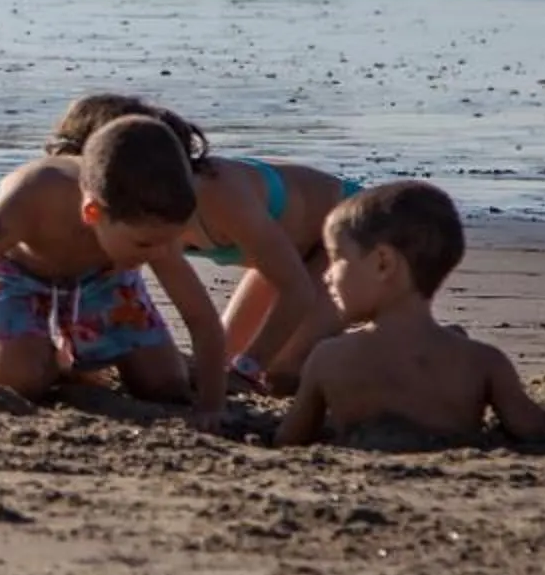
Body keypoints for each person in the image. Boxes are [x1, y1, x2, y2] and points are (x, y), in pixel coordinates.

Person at [0, 114, 228, 428]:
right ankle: (57, 359)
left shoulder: (154, 227)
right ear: (92, 212)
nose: (157, 255)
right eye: (144, 246)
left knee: (165, 384)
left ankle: (83, 352)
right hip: (20, 279)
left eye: (167, 244)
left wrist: (211, 406)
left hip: (103, 279)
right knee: (18, 381)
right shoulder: (33, 195)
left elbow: (202, 319)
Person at [47, 95, 351, 394]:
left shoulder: (219, 194)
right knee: (221, 361)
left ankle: (375, 347)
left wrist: (248, 369)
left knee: (279, 371)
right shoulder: (133, 209)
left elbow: (296, 289)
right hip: (282, 259)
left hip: (351, 239)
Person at [278, 182, 545, 447]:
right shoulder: (482, 361)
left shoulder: (330, 357)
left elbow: (290, 438)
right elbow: (534, 430)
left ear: (382, 263)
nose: (326, 276)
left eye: (337, 258)